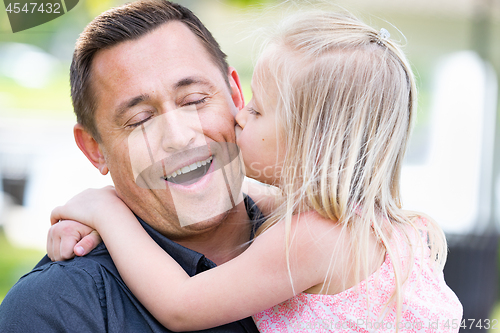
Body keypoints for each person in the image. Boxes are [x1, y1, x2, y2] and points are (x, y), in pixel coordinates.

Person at [48, 9, 463, 333]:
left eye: (259, 109)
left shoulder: (312, 239)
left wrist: (106, 210)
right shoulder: (364, 224)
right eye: (140, 121)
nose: (240, 116)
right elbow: (260, 201)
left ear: (312, 143)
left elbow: (180, 305)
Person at [0, 1, 263, 332]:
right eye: (140, 120)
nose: (179, 138)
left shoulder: (330, 237)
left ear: (236, 96)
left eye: (194, 100)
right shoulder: (58, 308)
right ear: (95, 150)